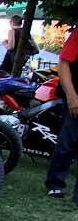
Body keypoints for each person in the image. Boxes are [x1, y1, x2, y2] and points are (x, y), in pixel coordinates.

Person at [45, 27, 78, 204]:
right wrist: (72, 96)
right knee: (67, 142)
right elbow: (63, 63)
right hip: (76, 97)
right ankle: (55, 183)